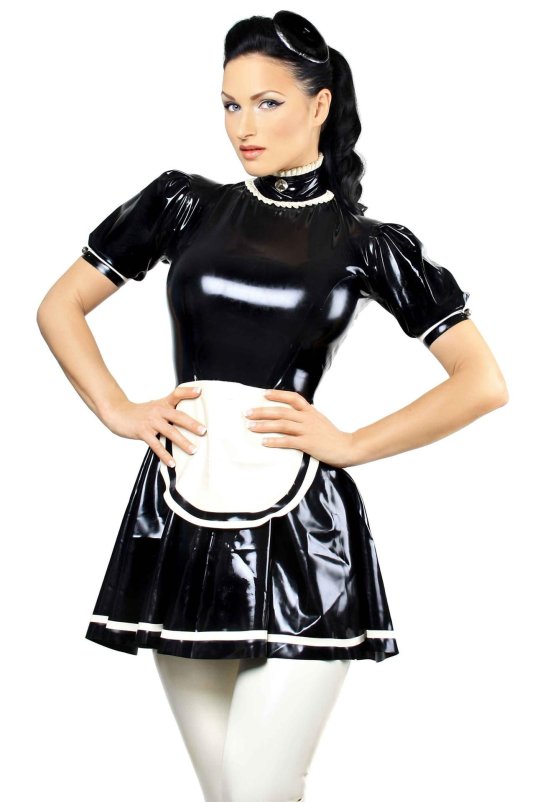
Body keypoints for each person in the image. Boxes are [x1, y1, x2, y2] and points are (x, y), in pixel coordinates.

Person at [36, 10, 508, 802]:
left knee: (257, 789)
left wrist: (351, 442)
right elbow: (60, 306)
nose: (242, 127)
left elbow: (480, 380)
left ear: (318, 105)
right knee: (231, 795)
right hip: (179, 512)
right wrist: (116, 409)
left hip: (303, 533)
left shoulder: (368, 243)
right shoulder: (181, 204)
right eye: (229, 104)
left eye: (266, 103)